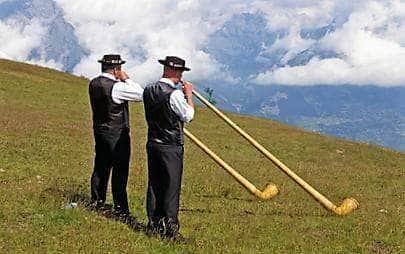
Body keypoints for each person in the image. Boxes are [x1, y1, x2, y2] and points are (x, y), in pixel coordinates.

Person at [143, 56, 194, 241]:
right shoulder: (175, 94)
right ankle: (171, 230)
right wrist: (188, 94)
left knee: (155, 185)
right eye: (180, 72)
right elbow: (188, 116)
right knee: (171, 188)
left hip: (153, 142)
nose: (181, 75)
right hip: (171, 145)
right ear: (176, 72)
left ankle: (154, 224)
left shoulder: (148, 89)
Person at [88, 54, 143, 217]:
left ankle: (97, 201)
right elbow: (140, 94)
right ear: (117, 69)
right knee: (120, 170)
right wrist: (127, 79)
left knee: (101, 166)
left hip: (100, 130)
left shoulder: (94, 83)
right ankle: (121, 208)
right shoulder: (117, 87)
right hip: (117, 133)